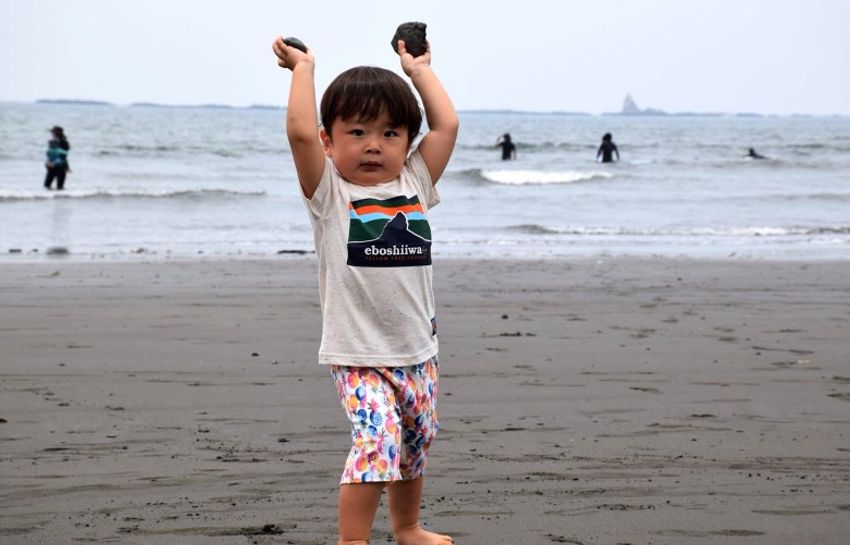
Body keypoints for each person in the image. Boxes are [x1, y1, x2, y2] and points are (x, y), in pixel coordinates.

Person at [273, 30, 458, 545]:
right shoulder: (329, 192)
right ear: (330, 141)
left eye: (390, 133)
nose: (374, 144)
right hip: (358, 354)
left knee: (415, 442)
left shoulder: (415, 180)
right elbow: (299, 135)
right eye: (356, 132)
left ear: (406, 142)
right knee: (378, 441)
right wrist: (303, 70)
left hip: (419, 350)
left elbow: (447, 126)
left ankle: (408, 527)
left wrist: (418, 71)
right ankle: (352, 540)